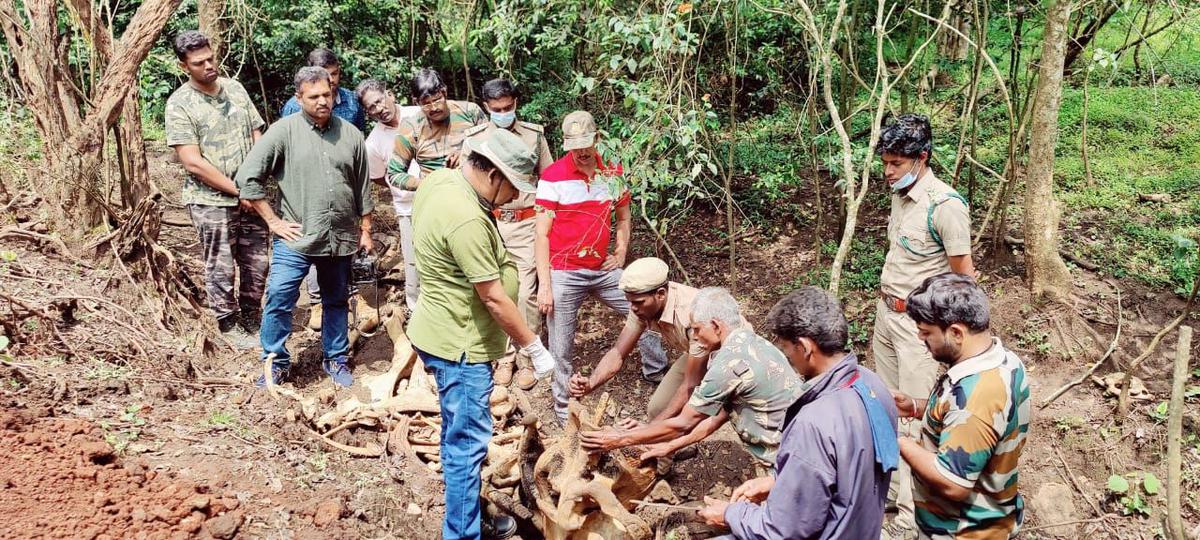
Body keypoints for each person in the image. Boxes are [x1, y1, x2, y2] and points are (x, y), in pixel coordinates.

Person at [406, 129, 556, 540]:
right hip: (460, 345)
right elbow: (493, 297)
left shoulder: (441, 180)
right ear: (493, 175)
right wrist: (533, 345)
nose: (514, 198)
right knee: (467, 445)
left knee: (459, 433)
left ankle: (469, 513)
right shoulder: (466, 217)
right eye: (512, 189)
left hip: (440, 328)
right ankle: (462, 533)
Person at [697, 287, 899, 540]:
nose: (786, 356)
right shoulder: (871, 385)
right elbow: (845, 474)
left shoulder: (813, 421)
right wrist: (778, 482)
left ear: (804, 347)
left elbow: (782, 530)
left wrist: (730, 514)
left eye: (786, 348)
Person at [234, 66, 373, 388]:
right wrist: (272, 221)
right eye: (314, 97)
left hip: (338, 235)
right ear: (299, 98)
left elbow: (363, 185)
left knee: (336, 299)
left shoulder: (350, 134)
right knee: (280, 295)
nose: (322, 101)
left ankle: (335, 359)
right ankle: (275, 363)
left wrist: (365, 229)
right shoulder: (283, 131)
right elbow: (248, 177)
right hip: (296, 236)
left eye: (327, 94)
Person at [872, 113, 977, 538]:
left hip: (919, 328)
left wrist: (951, 337)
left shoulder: (946, 207)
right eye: (885, 161)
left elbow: (964, 279)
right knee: (885, 409)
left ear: (923, 158)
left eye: (897, 162)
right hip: (886, 315)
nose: (888, 171)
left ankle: (907, 521)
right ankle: (887, 494)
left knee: (916, 418)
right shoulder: (902, 194)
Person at [534, 110, 665, 422]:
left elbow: (622, 216)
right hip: (564, 269)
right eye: (573, 145)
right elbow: (541, 234)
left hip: (602, 267)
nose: (580, 151)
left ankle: (657, 373)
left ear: (597, 139)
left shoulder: (612, 171)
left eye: (585, 143)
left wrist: (620, 253)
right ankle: (564, 408)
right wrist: (546, 285)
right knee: (561, 344)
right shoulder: (552, 176)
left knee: (646, 309)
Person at [579, 287, 800, 470]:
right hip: (797, 448)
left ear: (715, 325)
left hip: (783, 460)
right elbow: (718, 417)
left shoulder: (726, 366)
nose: (693, 336)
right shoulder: (753, 342)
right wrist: (670, 446)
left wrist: (618, 439)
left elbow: (683, 423)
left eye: (696, 329)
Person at [889, 273, 1030, 540]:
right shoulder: (1001, 360)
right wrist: (915, 407)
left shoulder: (978, 397)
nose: (920, 337)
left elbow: (953, 483)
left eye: (926, 332)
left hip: (961, 530)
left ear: (956, 332)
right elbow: (957, 418)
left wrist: (898, 441)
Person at [164, 30, 267, 349]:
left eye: (211, 58)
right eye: (199, 62)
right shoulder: (179, 104)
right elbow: (193, 162)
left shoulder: (235, 89)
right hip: (210, 200)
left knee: (257, 259)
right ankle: (228, 322)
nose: (209, 65)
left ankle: (253, 315)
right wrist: (239, 191)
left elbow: (257, 135)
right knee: (221, 263)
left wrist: (253, 184)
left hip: (251, 193)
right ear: (185, 66)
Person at [569, 257, 748, 422]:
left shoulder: (690, 316)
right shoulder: (641, 307)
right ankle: (666, 454)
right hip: (699, 351)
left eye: (638, 302)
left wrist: (653, 428)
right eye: (629, 301)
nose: (633, 308)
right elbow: (618, 353)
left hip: (735, 354)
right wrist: (591, 383)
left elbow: (690, 384)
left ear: (660, 294)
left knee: (711, 415)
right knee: (658, 409)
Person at [460, 78, 554, 389]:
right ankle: (502, 358)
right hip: (487, 222)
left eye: (509, 107)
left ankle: (526, 358)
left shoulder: (534, 136)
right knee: (491, 291)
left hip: (525, 224)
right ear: (486, 108)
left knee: (524, 293)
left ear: (516, 102)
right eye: (497, 109)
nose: (504, 113)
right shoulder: (474, 139)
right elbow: (466, 182)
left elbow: (548, 180)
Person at [386, 68, 487, 312]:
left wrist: (468, 155)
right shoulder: (411, 126)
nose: (433, 107)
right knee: (442, 271)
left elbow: (493, 149)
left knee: (479, 264)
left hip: (476, 203)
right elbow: (393, 174)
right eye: (426, 103)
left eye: (437, 99)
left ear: (445, 92)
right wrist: (427, 184)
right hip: (436, 208)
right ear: (416, 103)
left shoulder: (470, 112)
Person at [279, 48, 365, 331]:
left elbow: (359, 143)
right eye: (325, 78)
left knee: (342, 245)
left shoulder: (352, 101)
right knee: (313, 243)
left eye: (335, 75)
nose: (330, 85)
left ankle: (349, 295)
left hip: (343, 185)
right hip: (309, 190)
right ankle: (316, 302)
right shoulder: (293, 110)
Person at [355, 79, 422, 310]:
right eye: (371, 108)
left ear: (390, 94)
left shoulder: (419, 114)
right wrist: (402, 185)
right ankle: (416, 311)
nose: (378, 109)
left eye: (379, 101)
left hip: (441, 199)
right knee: (414, 264)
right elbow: (377, 176)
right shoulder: (372, 143)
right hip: (408, 208)